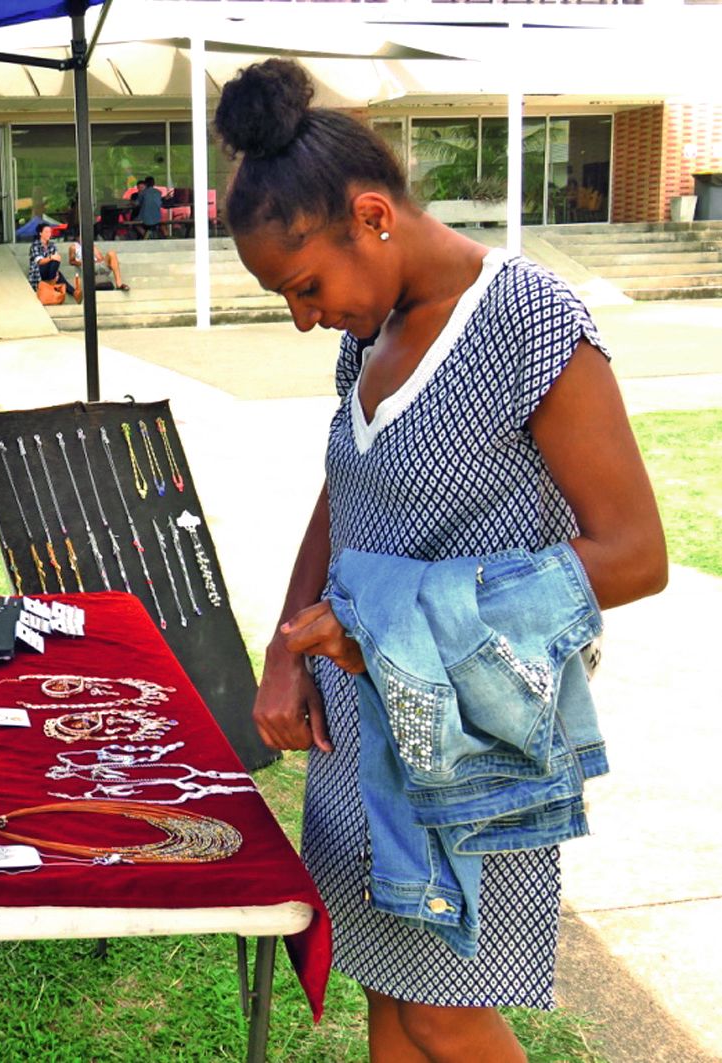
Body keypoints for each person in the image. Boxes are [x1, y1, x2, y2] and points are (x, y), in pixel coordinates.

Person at [216, 59, 667, 1062]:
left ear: (371, 217)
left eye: (303, 287)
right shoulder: (367, 330)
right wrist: (288, 647)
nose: (301, 317)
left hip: (474, 734)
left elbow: (634, 556)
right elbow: (346, 493)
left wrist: (379, 618)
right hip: (357, 728)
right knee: (391, 996)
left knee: (445, 1012)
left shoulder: (526, 321)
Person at [66, 228, 130, 302]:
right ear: (77, 237)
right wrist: (83, 262)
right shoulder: (73, 247)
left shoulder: (91, 245)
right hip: (86, 266)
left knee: (111, 253)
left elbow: (101, 258)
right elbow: (71, 261)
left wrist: (92, 248)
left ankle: (119, 284)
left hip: (97, 265)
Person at [27, 222, 74, 294]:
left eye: (50, 232)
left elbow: (57, 259)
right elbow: (40, 262)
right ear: (40, 233)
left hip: (50, 272)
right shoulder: (35, 245)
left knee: (57, 269)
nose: (49, 234)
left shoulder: (52, 245)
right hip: (38, 272)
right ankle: (53, 283)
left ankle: (74, 293)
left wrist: (56, 272)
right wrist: (51, 257)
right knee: (54, 260)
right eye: (46, 232)